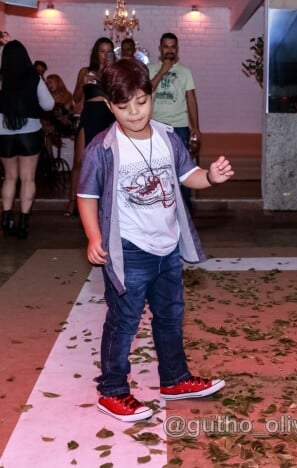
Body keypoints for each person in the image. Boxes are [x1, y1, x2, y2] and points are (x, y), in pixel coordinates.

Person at [76, 58, 233, 422]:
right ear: (110, 106)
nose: (134, 113)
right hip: (128, 248)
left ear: (151, 96)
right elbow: (87, 197)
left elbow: (188, 174)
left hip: (167, 247)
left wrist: (210, 177)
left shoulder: (166, 137)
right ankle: (112, 390)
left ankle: (174, 378)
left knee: (170, 315)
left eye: (141, 102)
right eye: (123, 106)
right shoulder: (103, 147)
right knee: (124, 320)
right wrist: (93, 236)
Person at [0, 40, 55, 238]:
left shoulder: (1, 77)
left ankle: (6, 219)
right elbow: (49, 105)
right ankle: (23, 222)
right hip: (30, 132)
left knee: (9, 177)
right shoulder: (34, 77)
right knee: (28, 178)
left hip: (3, 133)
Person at [149, 33, 201, 207]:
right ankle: (159, 206)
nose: (169, 50)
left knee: (182, 170)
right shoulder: (150, 69)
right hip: (155, 126)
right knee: (156, 170)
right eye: (166, 46)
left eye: (173, 47)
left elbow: (191, 99)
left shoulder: (185, 72)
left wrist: (196, 128)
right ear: (160, 48)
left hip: (179, 127)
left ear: (177, 49)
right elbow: (145, 92)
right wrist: (163, 71)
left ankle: (183, 209)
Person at [66, 38, 116, 216]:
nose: (105, 55)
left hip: (109, 118)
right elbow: (76, 98)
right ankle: (73, 201)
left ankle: (102, 202)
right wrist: (83, 83)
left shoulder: (114, 73)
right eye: (102, 51)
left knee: (106, 163)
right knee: (79, 161)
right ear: (96, 52)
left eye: (108, 51)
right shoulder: (85, 71)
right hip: (90, 116)